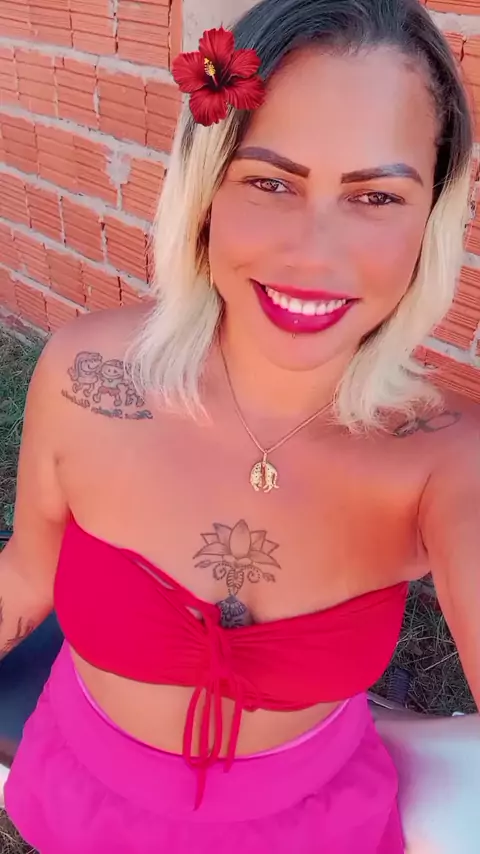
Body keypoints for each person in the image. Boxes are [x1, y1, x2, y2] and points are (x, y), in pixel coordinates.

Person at [1, 0, 479, 850]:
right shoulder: (87, 378)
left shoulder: (447, 461)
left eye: (375, 196)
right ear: (206, 192)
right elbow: (27, 577)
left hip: (311, 825)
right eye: (270, 182)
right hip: (88, 798)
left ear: (431, 218)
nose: (314, 253)